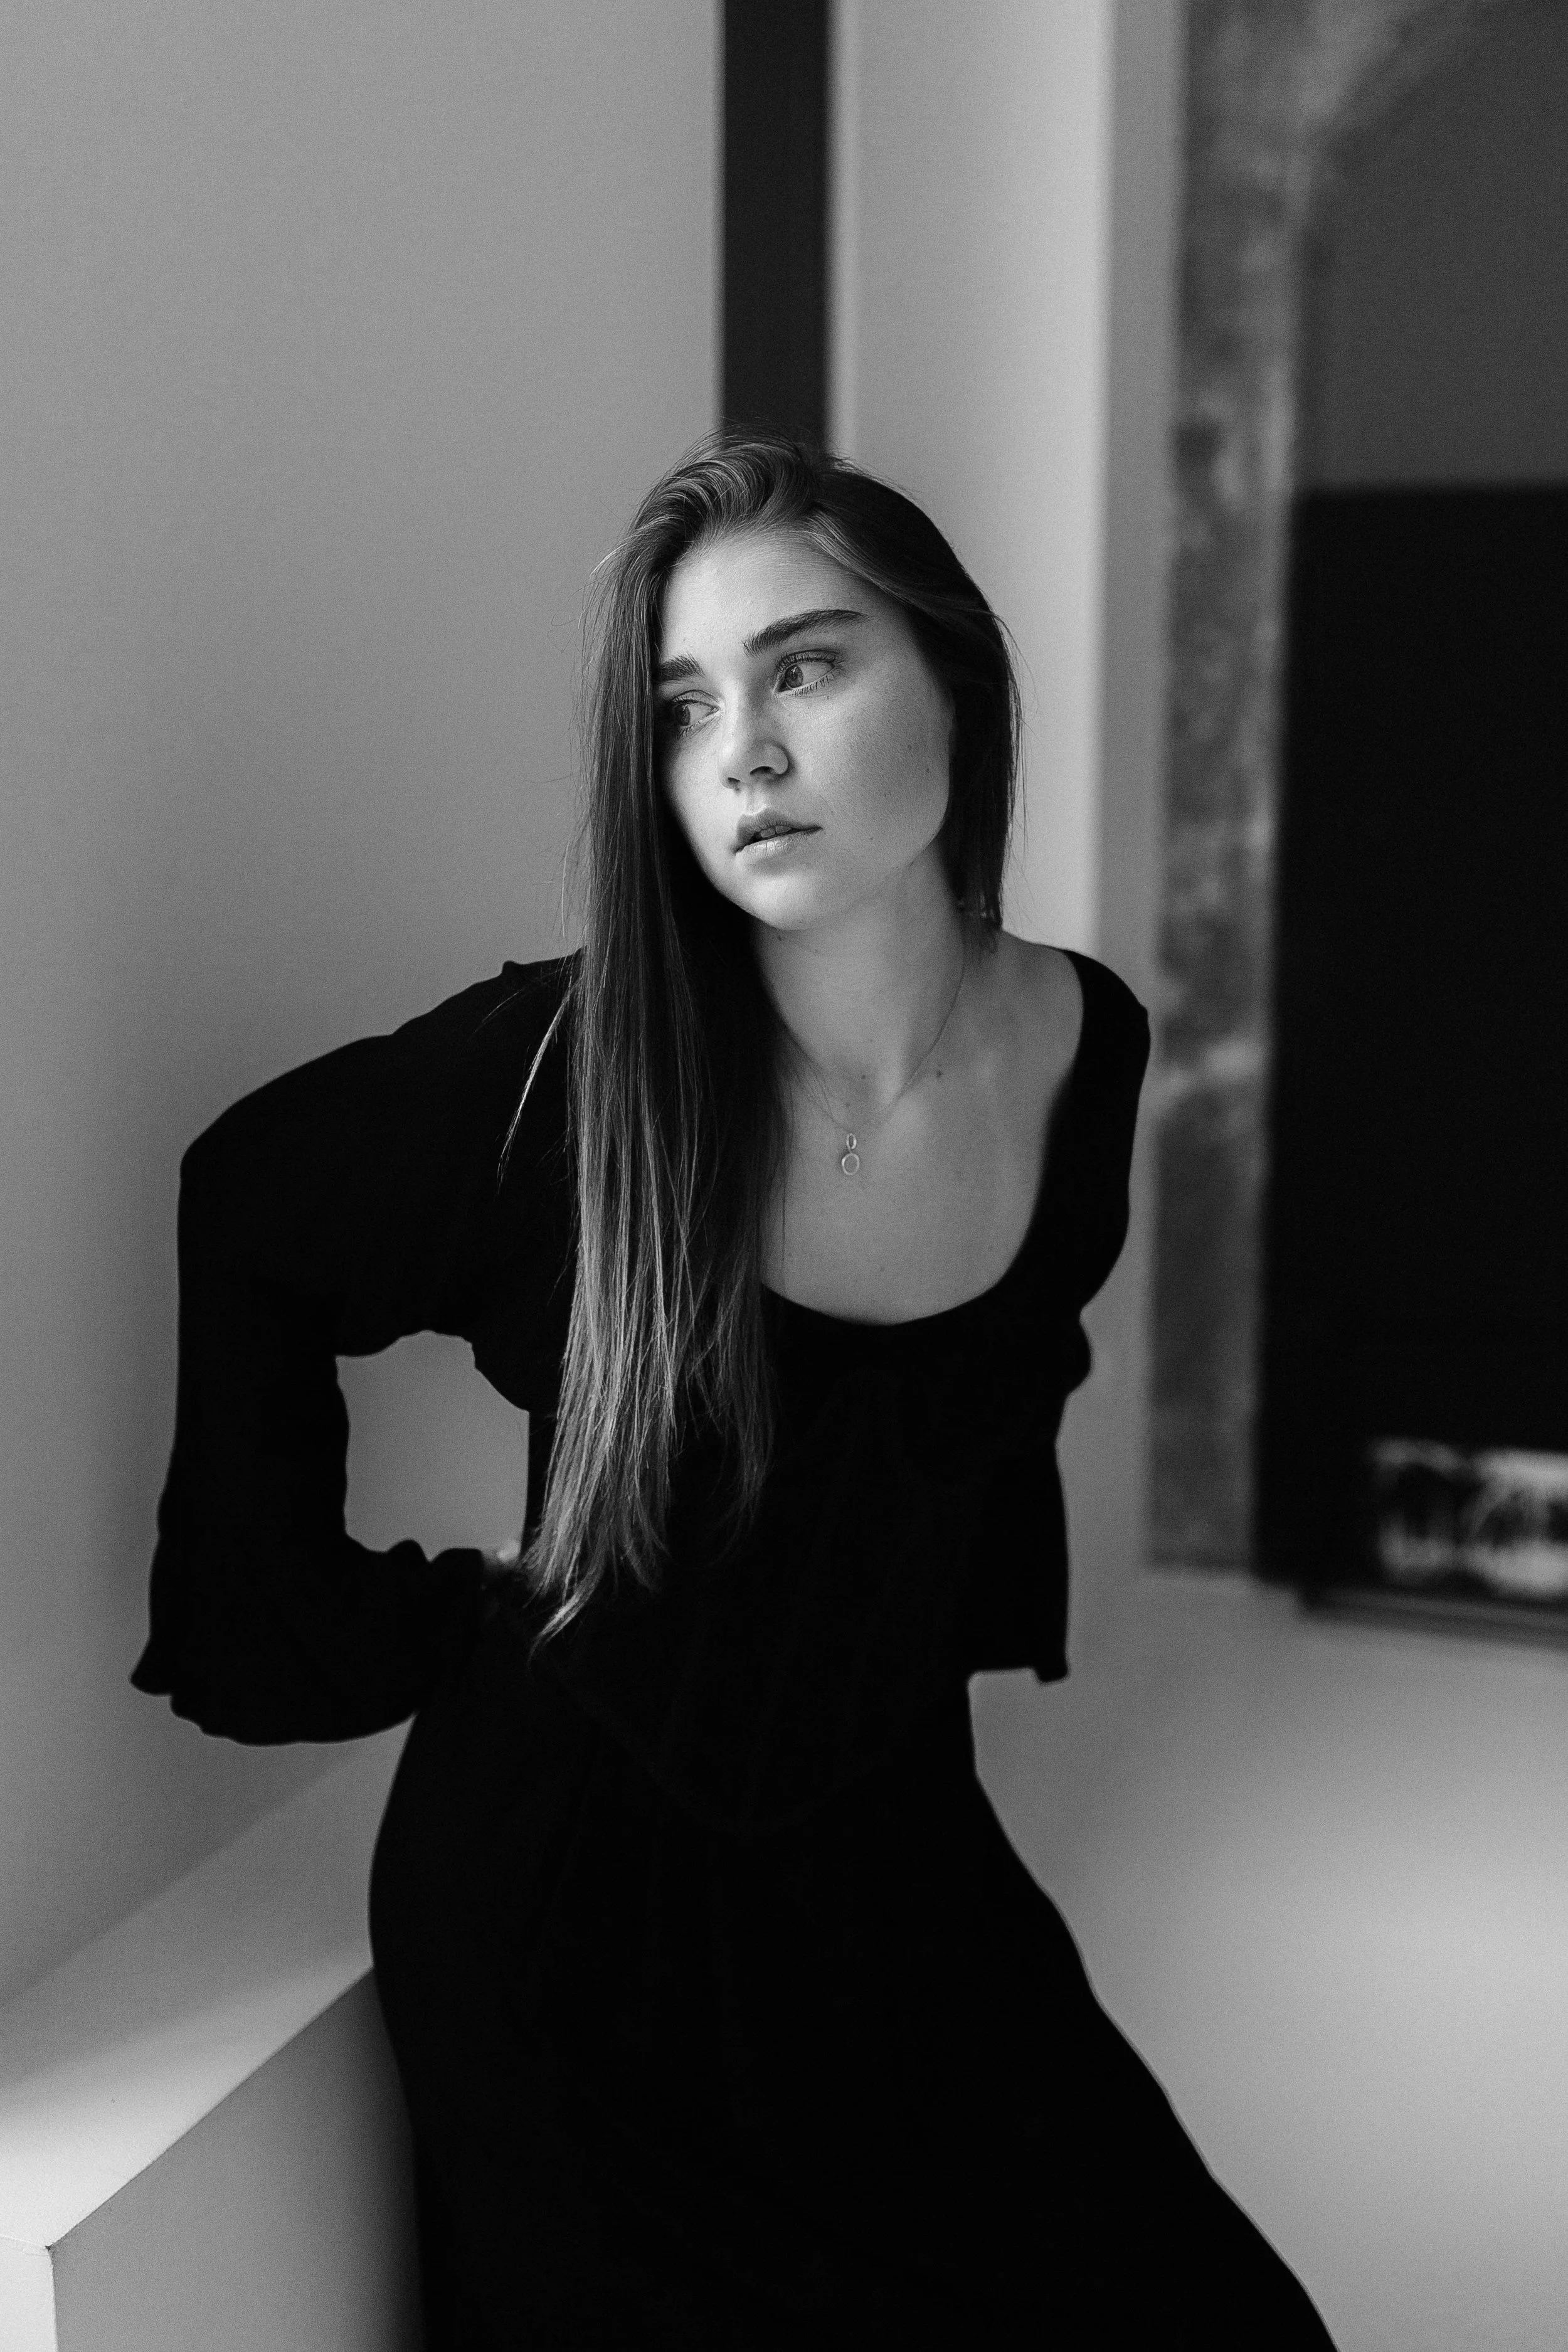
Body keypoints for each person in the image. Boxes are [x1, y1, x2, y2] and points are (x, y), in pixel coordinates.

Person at [133, 435, 1335, 2348]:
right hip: (565, 1939)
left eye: (806, 666)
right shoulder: (578, 1082)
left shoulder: (1079, 1048)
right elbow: (250, 1199)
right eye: (684, 707)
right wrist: (378, 1623)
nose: (743, 754)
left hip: (888, 1862)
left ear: (957, 674)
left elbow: (939, 1443)